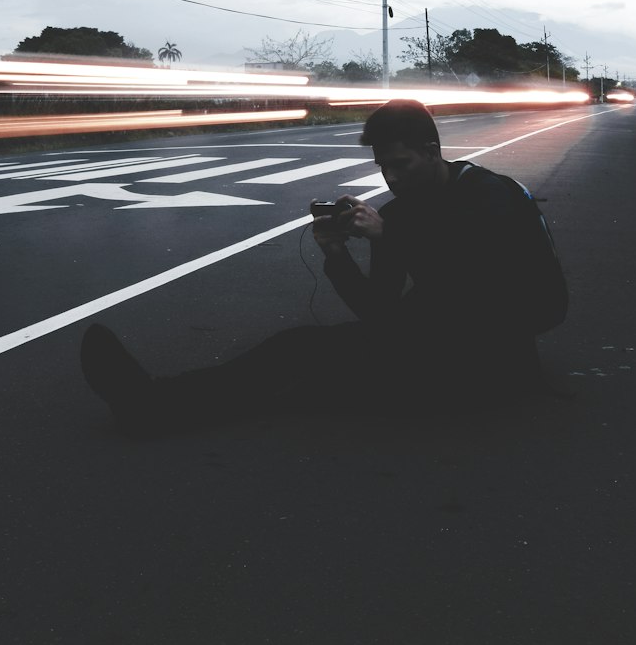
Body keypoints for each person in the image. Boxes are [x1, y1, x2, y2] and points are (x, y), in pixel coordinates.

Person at [80, 100, 568, 433]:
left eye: (402, 164)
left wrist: (391, 237)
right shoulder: (398, 215)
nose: (392, 177)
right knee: (300, 352)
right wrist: (336, 256)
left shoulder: (488, 194)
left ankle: (153, 409)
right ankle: (151, 405)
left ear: (432, 151)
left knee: (316, 374)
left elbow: (483, 285)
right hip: (435, 336)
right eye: (383, 167)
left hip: (496, 347)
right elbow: (379, 311)